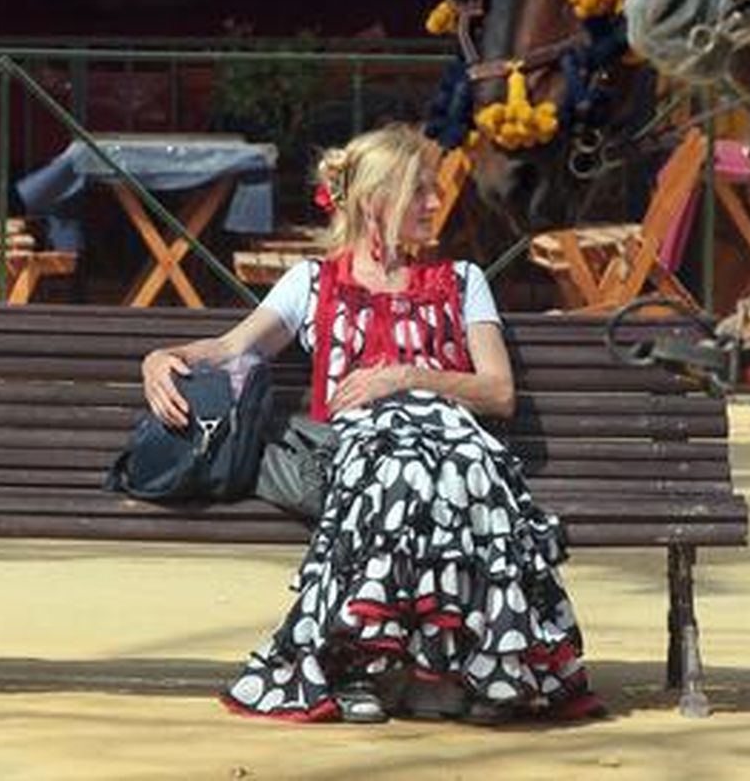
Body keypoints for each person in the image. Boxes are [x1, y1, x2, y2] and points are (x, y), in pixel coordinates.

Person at [140, 124, 600, 724]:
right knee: (403, 472)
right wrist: (159, 358)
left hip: (454, 443)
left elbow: (498, 392)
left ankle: (448, 666)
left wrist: (404, 377)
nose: (435, 203)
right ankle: (366, 663)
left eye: (434, 191)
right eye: (420, 192)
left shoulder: (464, 282)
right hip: (360, 450)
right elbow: (232, 349)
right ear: (374, 199)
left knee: (459, 469)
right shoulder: (312, 283)